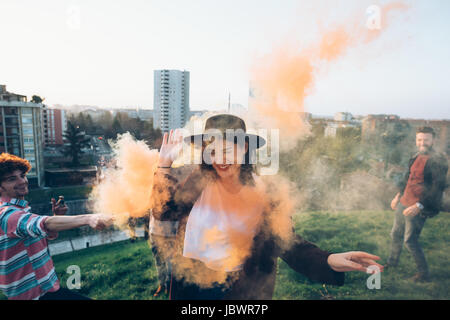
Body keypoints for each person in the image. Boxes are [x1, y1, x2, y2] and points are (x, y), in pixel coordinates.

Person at [151, 114, 384, 300]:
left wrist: (328, 260)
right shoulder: (193, 181)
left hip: (240, 289)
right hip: (191, 284)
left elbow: (285, 242)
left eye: (229, 150)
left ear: (244, 149)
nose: (221, 159)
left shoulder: (265, 191)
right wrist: (164, 165)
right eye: (214, 151)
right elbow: (163, 212)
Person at [0, 153, 113, 300]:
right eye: (12, 179)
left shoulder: (19, 210)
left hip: (48, 290)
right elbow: (44, 223)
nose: (22, 181)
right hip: (35, 296)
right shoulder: (7, 215)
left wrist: (56, 217)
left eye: (22, 175)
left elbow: (35, 238)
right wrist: (89, 218)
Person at [387, 126, 448, 282]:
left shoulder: (438, 160)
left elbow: (437, 188)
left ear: (433, 140)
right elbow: (408, 178)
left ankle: (423, 274)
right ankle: (392, 263)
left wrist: (419, 205)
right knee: (395, 234)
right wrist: (397, 196)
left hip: (419, 206)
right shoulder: (415, 156)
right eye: (419, 139)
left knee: (410, 241)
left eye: (426, 139)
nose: (422, 142)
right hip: (404, 201)